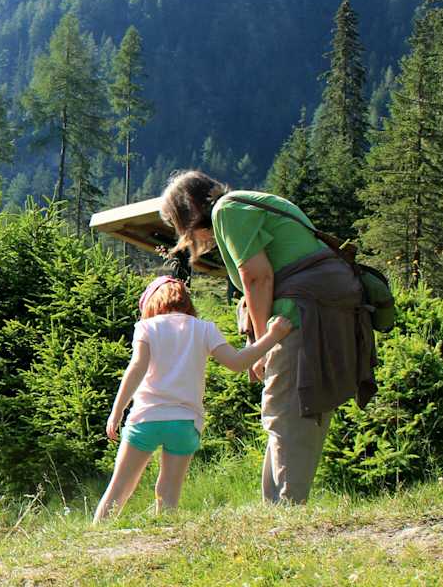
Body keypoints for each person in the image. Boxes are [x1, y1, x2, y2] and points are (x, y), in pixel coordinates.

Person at [159, 170, 375, 505]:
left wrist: (261, 347)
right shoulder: (246, 203)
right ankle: (276, 507)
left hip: (301, 316)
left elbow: (257, 278)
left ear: (189, 209)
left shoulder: (228, 211)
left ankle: (287, 509)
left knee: (287, 411)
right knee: (289, 412)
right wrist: (257, 341)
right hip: (319, 312)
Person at [93, 275, 292, 522]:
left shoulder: (146, 327)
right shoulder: (204, 328)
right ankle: (164, 536)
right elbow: (237, 362)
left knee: (119, 488)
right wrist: (273, 335)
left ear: (151, 305)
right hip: (185, 422)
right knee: (169, 492)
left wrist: (117, 411)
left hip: (146, 418)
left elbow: (136, 369)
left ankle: (97, 535)